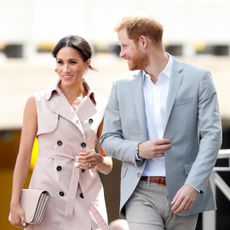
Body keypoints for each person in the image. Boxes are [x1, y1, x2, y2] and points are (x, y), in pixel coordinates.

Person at [101, 16, 222, 230]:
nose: (121, 53)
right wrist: (138, 149)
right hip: (140, 192)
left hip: (184, 194)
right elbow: (108, 139)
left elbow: (212, 136)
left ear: (143, 42)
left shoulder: (198, 78)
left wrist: (193, 184)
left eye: (124, 46)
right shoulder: (121, 86)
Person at [9, 35, 112, 230]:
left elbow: (108, 164)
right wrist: (15, 202)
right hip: (47, 196)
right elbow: (23, 156)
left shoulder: (101, 105)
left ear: (87, 63)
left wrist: (97, 160)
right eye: (60, 62)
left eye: (72, 62)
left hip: (86, 194)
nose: (65, 69)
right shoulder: (37, 102)